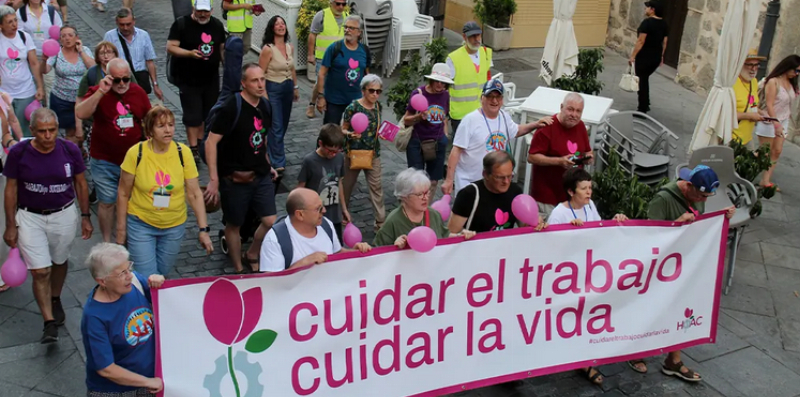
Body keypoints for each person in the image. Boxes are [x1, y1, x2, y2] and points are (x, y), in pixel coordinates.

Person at [630, 165, 735, 382]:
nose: (704, 200)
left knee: (680, 307)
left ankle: (674, 360)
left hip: (683, 261)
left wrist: (724, 217)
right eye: (701, 195)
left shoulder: (696, 195)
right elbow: (651, 235)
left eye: (707, 196)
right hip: (662, 264)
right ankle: (637, 352)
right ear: (688, 186)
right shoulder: (663, 199)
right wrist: (676, 223)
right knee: (651, 307)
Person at [2, 108, 92, 343]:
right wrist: (10, 224)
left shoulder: (69, 150)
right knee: (40, 271)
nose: (48, 135)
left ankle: (55, 296)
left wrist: (85, 216)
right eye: (42, 131)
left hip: (63, 215)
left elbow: (81, 184)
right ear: (32, 131)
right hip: (30, 217)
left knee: (59, 261)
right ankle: (49, 322)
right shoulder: (19, 153)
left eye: (52, 130)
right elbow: (10, 189)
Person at [546, 167, 626, 386]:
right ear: (571, 192)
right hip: (567, 274)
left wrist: (616, 220)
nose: (589, 192)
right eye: (584, 188)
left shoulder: (590, 206)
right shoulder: (559, 214)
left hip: (589, 270)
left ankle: (582, 358)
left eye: (590, 188)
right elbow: (551, 247)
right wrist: (569, 234)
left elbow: (599, 230)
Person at [116, 106, 213, 277]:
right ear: (150, 130)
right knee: (148, 277)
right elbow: (123, 193)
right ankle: (146, 304)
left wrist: (203, 229)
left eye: (171, 125)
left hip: (174, 226)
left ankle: (153, 303)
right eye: (161, 126)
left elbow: (195, 193)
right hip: (141, 223)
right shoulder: (135, 153)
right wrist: (121, 231)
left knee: (161, 275)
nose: (168, 130)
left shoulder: (183, 153)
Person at [203, 63, 278, 274]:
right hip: (235, 179)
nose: (260, 84)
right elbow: (211, 142)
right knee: (234, 225)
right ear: (243, 83)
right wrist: (214, 179)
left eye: (262, 79)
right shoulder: (231, 107)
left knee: (270, 220)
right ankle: (237, 268)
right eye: (255, 80)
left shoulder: (265, 106)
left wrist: (268, 163)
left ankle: (252, 252)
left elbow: (261, 138)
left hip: (260, 174)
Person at [76, 58, 151, 243]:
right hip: (104, 160)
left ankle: (130, 239)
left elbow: (149, 121)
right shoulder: (99, 91)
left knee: (133, 202)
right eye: (117, 80)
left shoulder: (138, 92)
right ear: (108, 77)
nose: (122, 84)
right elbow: (81, 113)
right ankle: (109, 243)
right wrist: (101, 91)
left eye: (126, 79)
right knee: (107, 202)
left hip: (133, 160)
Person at [442, 79, 551, 196]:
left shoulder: (504, 117)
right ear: (482, 98)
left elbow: (517, 130)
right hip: (469, 182)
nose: (494, 101)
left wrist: (535, 124)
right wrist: (449, 180)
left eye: (498, 97)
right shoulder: (470, 120)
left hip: (493, 183)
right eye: (490, 96)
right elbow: (456, 150)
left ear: (502, 100)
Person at [81, 243, 165, 396]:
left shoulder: (134, 283)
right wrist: (147, 382)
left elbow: (163, 301)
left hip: (151, 379)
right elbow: (106, 369)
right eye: (121, 273)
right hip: (116, 391)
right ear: (102, 281)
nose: (130, 276)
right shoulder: (94, 317)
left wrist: (159, 283)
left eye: (129, 268)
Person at [167, 0, 225, 161]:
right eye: (200, 11)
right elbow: (171, 46)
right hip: (188, 79)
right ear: (194, 9)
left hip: (211, 79)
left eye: (206, 11)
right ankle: (193, 148)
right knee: (193, 116)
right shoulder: (182, 24)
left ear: (212, 10)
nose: (203, 14)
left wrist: (227, 65)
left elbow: (220, 48)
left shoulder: (217, 25)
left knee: (206, 115)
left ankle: (199, 144)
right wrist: (189, 54)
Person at [259, 187, 371, 271]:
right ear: (300, 215)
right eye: (318, 209)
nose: (324, 211)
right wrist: (304, 263)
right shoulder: (274, 240)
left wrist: (354, 252)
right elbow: (272, 286)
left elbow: (336, 253)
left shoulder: (326, 224)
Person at [527, 92, 594, 220]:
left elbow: (587, 151)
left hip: (572, 197)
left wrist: (588, 157)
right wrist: (559, 161)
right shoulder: (547, 128)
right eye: (570, 109)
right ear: (561, 107)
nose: (574, 115)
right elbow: (532, 157)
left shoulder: (580, 127)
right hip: (548, 197)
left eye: (578, 111)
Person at [374, 168, 476, 248]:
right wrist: (395, 246)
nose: (425, 198)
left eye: (427, 192)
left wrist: (460, 236)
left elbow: (443, 236)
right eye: (419, 194)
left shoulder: (433, 214)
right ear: (404, 197)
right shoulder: (393, 221)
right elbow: (378, 252)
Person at [449, 151, 546, 234]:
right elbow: (452, 232)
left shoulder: (515, 192)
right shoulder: (469, 194)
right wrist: (463, 234)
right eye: (500, 177)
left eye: (509, 176)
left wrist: (536, 223)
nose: (506, 182)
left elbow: (523, 225)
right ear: (485, 175)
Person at [340, 74, 385, 232]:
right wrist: (349, 134)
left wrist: (385, 132)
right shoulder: (353, 107)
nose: (375, 94)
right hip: (354, 153)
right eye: (371, 90)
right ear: (363, 90)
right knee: (346, 186)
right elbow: (342, 128)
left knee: (376, 188)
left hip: (372, 154)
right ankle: (341, 216)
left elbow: (376, 127)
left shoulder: (378, 106)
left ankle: (380, 224)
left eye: (378, 91)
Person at [402, 63, 452, 195]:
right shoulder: (418, 93)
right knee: (416, 181)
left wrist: (445, 135)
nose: (440, 85)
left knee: (434, 181)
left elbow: (445, 116)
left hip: (437, 142)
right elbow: (406, 120)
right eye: (437, 81)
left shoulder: (445, 95)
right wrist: (419, 117)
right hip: (417, 142)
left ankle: (426, 210)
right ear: (431, 80)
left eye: (443, 82)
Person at [41, 24, 93, 146]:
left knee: (80, 132)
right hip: (62, 99)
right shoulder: (56, 53)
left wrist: (81, 52)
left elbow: (93, 67)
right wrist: (43, 60)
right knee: (69, 133)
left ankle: (79, 151)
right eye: (63, 36)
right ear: (60, 39)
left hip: (82, 99)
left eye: (70, 35)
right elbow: (45, 70)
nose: (67, 38)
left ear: (77, 37)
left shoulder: (85, 50)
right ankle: (71, 154)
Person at [259, 15, 298, 173]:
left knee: (283, 124)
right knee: (276, 125)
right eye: (277, 24)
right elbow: (260, 73)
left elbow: (292, 69)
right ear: (272, 28)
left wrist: (295, 87)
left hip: (287, 88)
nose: (281, 26)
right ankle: (278, 161)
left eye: (283, 23)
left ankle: (269, 150)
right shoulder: (268, 49)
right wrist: (264, 94)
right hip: (273, 87)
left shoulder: (290, 47)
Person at [297, 123, 348, 243]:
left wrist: (344, 208)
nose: (333, 154)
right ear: (320, 143)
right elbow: (300, 189)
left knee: (336, 247)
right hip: (315, 218)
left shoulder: (339, 158)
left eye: (337, 151)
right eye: (330, 151)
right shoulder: (309, 161)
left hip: (334, 215)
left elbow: (339, 182)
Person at [755, 55, 800, 190]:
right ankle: (742, 162)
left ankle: (765, 180)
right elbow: (769, 105)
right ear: (787, 67)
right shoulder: (773, 82)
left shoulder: (791, 83)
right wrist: (776, 124)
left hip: (784, 119)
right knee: (765, 153)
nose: (797, 74)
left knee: (777, 151)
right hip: (769, 120)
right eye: (796, 70)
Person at [316, 14, 369, 125]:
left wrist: (368, 97)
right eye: (345, 27)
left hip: (356, 102)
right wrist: (321, 97)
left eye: (351, 28)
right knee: (331, 135)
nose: (347, 30)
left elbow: (367, 76)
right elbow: (321, 74)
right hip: (334, 102)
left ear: (359, 32)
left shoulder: (364, 51)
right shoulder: (334, 48)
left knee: (353, 134)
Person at [0, 5, 44, 136]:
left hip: (26, 90)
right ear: (1, 25)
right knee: (6, 128)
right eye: (9, 22)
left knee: (25, 130)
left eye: (15, 20)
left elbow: (34, 63)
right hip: (4, 92)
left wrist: (40, 87)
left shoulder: (25, 37)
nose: (14, 24)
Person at [103, 8, 163, 100]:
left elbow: (150, 62)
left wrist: (155, 85)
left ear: (134, 21)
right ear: (116, 22)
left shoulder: (143, 35)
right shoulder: (110, 36)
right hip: (120, 81)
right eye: (122, 25)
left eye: (128, 24)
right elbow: (104, 61)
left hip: (139, 81)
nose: (125, 28)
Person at [446, 21, 493, 137]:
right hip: (461, 115)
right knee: (461, 148)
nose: (476, 39)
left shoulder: (486, 53)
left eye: (478, 35)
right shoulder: (453, 58)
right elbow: (445, 86)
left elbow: (488, 78)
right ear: (464, 37)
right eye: (472, 36)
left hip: (482, 111)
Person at [306, 0, 348, 118]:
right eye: (338, 4)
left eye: (343, 4)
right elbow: (312, 35)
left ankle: (335, 106)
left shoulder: (347, 17)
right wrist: (310, 54)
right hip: (323, 56)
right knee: (320, 82)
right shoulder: (322, 15)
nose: (340, 7)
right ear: (331, 3)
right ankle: (312, 104)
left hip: (340, 57)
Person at [16, 0, 61, 104]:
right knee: (34, 84)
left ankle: (50, 113)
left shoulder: (50, 11)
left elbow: (59, 29)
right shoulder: (21, 13)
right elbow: (19, 35)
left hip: (49, 55)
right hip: (30, 56)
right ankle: (36, 114)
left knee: (50, 83)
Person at [628, 0, 668, 113]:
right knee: (644, 78)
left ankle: (643, 107)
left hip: (645, 56)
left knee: (642, 80)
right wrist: (661, 56)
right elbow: (665, 42)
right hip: (655, 57)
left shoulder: (647, 23)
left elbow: (641, 41)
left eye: (647, 7)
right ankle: (645, 103)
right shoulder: (664, 24)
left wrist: (633, 56)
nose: (645, 9)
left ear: (652, 9)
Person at [732, 49, 767, 148]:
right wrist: (749, 116)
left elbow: (751, 102)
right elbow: (725, 114)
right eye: (750, 65)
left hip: (746, 138)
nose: (753, 69)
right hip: (731, 138)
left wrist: (760, 112)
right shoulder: (731, 84)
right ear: (740, 65)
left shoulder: (754, 82)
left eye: (756, 65)